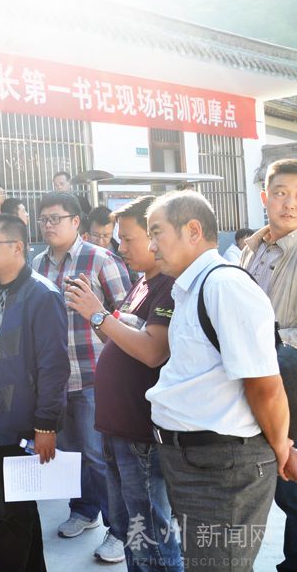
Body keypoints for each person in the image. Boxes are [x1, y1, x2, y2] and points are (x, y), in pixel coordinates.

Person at [146, 190, 288, 571]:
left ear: (193, 230)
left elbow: (264, 385)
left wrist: (281, 447)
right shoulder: (191, 288)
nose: (151, 246)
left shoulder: (224, 286)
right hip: (195, 462)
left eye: (157, 233)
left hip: (223, 469)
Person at [64, 196, 182, 570]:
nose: (121, 248)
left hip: (140, 431)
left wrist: (98, 314)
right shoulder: (141, 283)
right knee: (130, 529)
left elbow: (152, 351)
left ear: (156, 236)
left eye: (129, 239)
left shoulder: (169, 285)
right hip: (117, 428)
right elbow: (116, 340)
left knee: (150, 533)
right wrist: (94, 313)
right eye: (120, 239)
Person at [31, 191, 130, 558]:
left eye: (56, 218)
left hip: (93, 376)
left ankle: (119, 530)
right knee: (70, 455)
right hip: (55, 381)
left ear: (76, 222)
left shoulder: (100, 259)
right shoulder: (37, 263)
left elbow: (127, 315)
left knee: (98, 456)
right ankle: (84, 510)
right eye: (43, 219)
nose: (48, 225)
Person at [0, 213, 70, 572]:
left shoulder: (42, 295)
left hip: (20, 418)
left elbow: (54, 367)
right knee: (6, 503)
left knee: (13, 511)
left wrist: (46, 424)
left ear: (17, 247)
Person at [239, 158, 297, 572]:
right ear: (265, 198)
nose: (289, 204)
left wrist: (268, 342)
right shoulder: (252, 249)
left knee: (293, 489)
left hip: (290, 385)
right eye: (280, 193)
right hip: (254, 385)